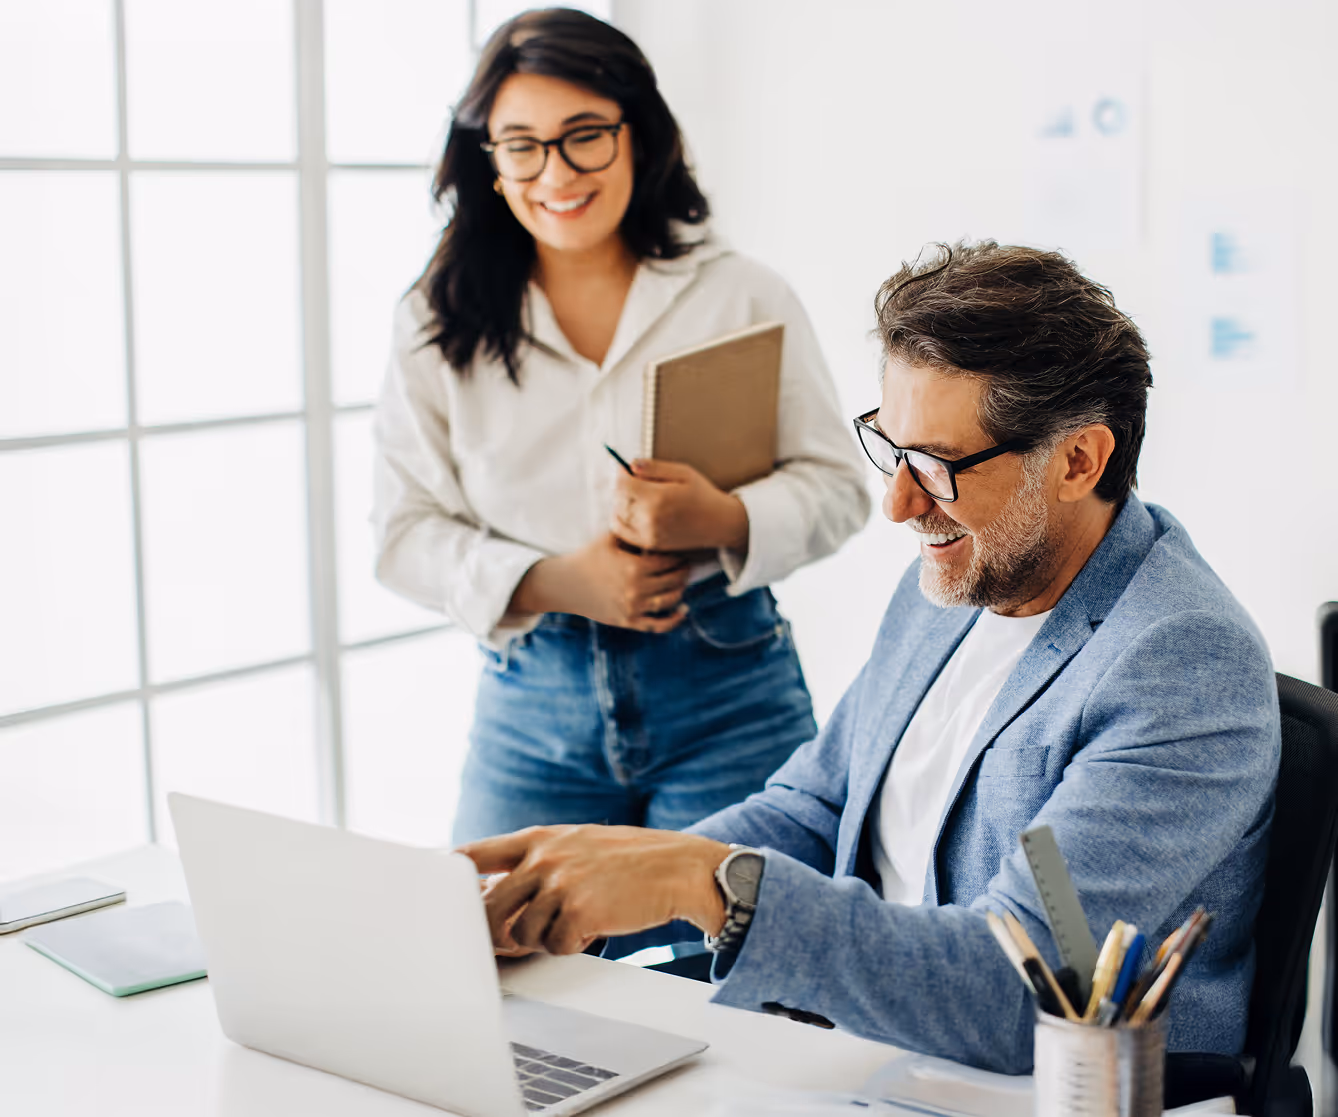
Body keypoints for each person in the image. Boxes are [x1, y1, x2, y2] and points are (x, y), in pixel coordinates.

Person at [461, 241, 1280, 1073]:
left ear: (1079, 460)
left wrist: (700, 882)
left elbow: (1021, 986)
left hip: (1028, 1084)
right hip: (864, 1054)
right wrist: (594, 884)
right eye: (892, 449)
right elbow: (813, 812)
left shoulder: (1178, 664)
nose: (898, 504)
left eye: (936, 464)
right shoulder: (957, 581)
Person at [373, 8, 868, 846]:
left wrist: (719, 516)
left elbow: (839, 487)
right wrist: (561, 580)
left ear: (638, 134)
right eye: (521, 144)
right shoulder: (436, 318)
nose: (554, 171)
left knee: (734, 967)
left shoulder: (741, 294)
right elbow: (403, 533)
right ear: (488, 161)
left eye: (584, 135)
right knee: (493, 956)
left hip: (726, 686)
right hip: (531, 700)